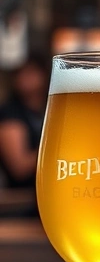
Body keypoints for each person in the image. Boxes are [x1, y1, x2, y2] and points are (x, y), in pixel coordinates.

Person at [0, 53, 48, 190]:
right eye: (18, 73)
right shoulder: (9, 113)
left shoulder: (48, 108)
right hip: (22, 196)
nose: (24, 79)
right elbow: (19, 167)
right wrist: (57, 150)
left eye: (30, 73)